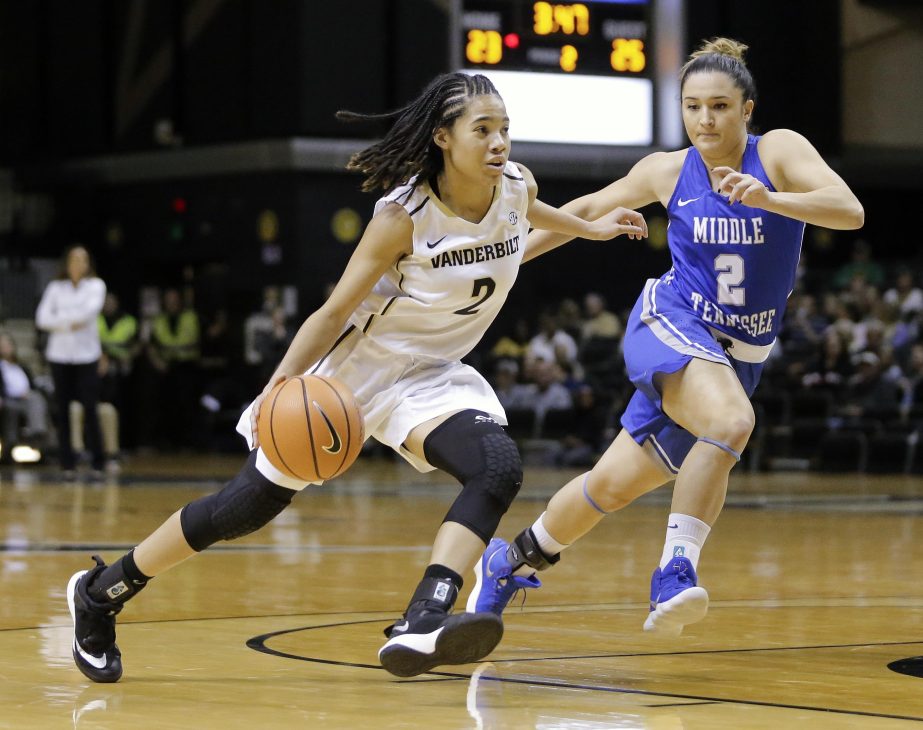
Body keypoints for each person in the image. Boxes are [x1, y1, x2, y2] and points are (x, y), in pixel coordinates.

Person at [64, 71, 647, 683]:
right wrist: (276, 390)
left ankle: (425, 616)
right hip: (354, 375)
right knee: (244, 508)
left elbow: (528, 230)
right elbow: (334, 311)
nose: (499, 141)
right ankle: (103, 590)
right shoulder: (405, 215)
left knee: (497, 467)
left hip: (432, 378)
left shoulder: (514, 188)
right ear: (444, 137)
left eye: (504, 129)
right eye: (483, 130)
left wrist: (591, 229)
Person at [466, 38, 864, 638]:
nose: (706, 119)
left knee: (610, 485)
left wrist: (771, 199)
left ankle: (508, 559)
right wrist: (505, 259)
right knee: (731, 423)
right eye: (693, 106)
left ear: (747, 110)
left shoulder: (777, 152)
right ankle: (675, 572)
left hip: (736, 355)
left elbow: (848, 208)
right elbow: (588, 206)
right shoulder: (667, 170)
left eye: (720, 107)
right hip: (673, 321)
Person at [35, 245, 107, 478]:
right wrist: (69, 323)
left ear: (88, 264)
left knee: (90, 406)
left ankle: (98, 460)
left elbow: (89, 314)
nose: (78, 263)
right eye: (74, 259)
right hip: (60, 355)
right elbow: (42, 318)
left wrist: (60, 320)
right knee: (62, 409)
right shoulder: (56, 288)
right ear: (66, 263)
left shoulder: (96, 285)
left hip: (87, 356)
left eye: (83, 259)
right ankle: (68, 462)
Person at [0, 331, 49, 463]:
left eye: (8, 345)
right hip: (8, 399)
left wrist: (28, 393)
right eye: (2, 345)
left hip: (27, 399)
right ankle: (9, 448)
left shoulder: (21, 366)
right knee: (11, 408)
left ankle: (37, 434)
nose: (6, 348)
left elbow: (33, 384)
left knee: (37, 398)